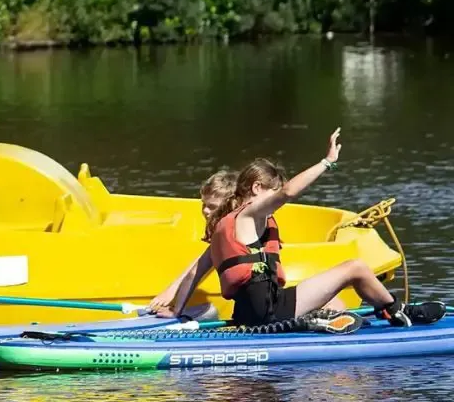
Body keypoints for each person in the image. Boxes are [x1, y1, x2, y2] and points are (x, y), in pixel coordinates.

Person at [206, 128, 438, 333]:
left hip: (249, 312)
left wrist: (171, 305)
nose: (276, 201)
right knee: (354, 268)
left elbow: (195, 273)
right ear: (257, 188)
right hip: (267, 314)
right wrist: (327, 162)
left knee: (335, 303)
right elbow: (288, 192)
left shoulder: (227, 222)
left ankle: (329, 317)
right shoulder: (249, 214)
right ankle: (396, 310)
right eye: (272, 191)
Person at [148, 169, 237, 320]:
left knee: (207, 312)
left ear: (231, 206)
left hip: (254, 307)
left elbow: (196, 272)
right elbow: (201, 262)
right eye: (204, 204)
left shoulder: (231, 232)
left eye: (212, 206)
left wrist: (176, 310)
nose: (205, 211)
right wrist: (172, 288)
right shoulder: (231, 227)